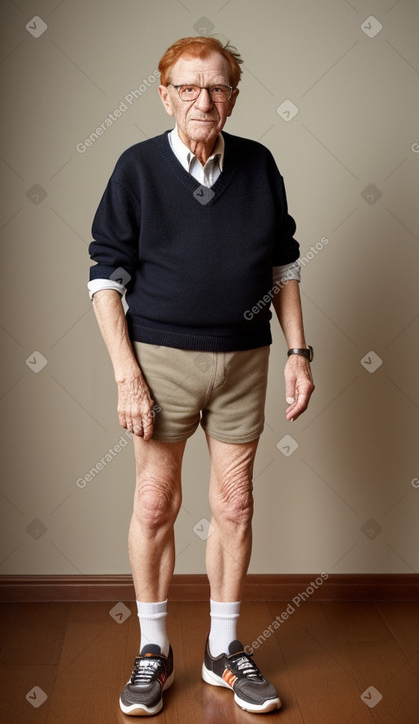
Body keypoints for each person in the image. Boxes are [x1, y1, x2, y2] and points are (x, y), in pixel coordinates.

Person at [88, 36, 314, 716]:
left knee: (235, 505)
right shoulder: (137, 169)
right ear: (164, 95)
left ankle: (222, 650)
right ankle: (153, 651)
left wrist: (298, 353)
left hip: (245, 359)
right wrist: (127, 373)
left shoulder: (259, 165)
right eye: (187, 87)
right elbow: (104, 277)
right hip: (158, 362)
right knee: (155, 504)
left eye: (215, 87)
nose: (202, 100)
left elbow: (284, 265)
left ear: (233, 97)